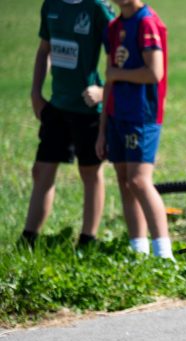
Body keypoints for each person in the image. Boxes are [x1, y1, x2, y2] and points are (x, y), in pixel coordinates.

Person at [22, 0, 116, 248]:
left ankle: (88, 240)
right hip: (57, 106)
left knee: (90, 172)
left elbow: (117, 54)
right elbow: (45, 49)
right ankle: (29, 238)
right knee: (41, 170)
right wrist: (35, 93)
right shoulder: (50, 5)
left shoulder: (96, 8)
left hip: (87, 108)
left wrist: (103, 90)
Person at [95, 0, 172, 258]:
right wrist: (102, 128)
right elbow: (109, 77)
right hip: (116, 115)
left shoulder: (147, 21)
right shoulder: (114, 26)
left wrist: (117, 73)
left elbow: (155, 72)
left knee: (139, 180)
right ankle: (138, 250)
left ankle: (164, 252)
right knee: (124, 181)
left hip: (142, 115)